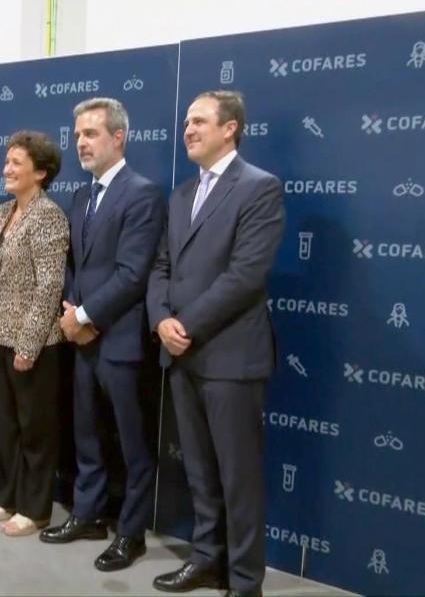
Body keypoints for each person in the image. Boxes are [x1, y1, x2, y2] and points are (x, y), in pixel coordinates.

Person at [148, 91, 284, 597]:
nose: (188, 129)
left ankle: (245, 581)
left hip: (229, 356)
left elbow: (246, 276)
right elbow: (161, 266)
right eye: (186, 121)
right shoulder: (181, 194)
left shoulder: (259, 188)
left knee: (238, 476)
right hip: (180, 352)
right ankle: (206, 559)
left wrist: (185, 325)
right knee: (201, 471)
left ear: (230, 129)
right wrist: (162, 320)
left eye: (199, 121)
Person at [40, 97, 164, 573]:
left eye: (90, 134)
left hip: (122, 342)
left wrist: (86, 316)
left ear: (119, 137)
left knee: (132, 446)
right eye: (77, 136)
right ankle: (88, 515)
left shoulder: (142, 193)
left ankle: (130, 534)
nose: (81, 143)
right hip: (84, 338)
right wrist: (73, 311)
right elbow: (78, 265)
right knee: (87, 436)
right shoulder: (81, 195)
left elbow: (133, 274)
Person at [0, 131, 68, 537]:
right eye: (7, 161)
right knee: (7, 425)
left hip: (33, 342)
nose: (7, 169)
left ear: (41, 172)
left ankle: (36, 509)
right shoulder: (2, 213)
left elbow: (49, 287)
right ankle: (11, 495)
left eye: (17, 163)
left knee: (36, 429)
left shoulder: (49, 215)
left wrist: (29, 344)